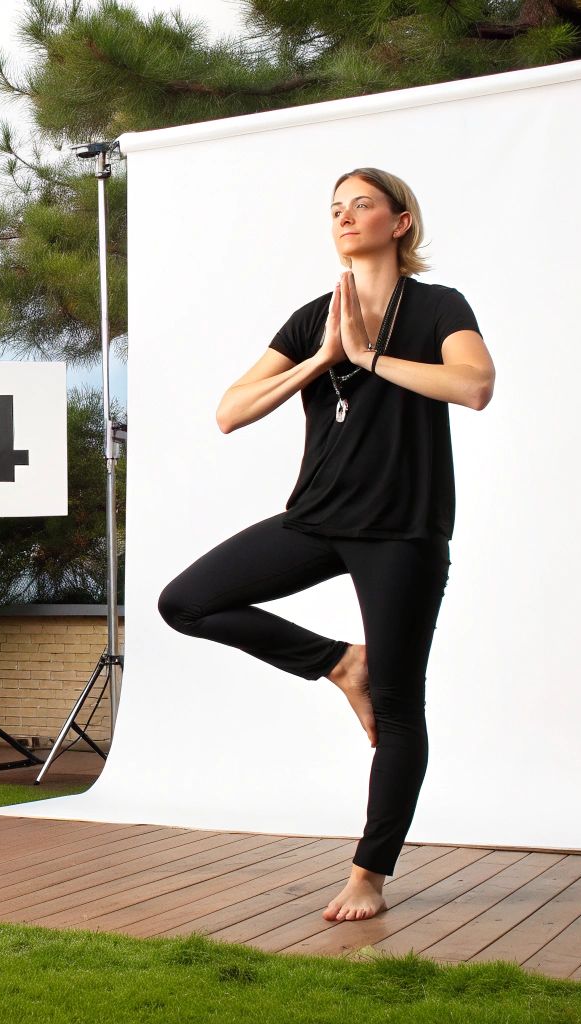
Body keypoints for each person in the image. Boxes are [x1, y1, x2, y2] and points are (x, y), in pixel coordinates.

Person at [156, 167, 495, 923]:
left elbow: (475, 386)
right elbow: (229, 411)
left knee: (399, 710)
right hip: (317, 517)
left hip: (403, 529)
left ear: (400, 222)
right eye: (336, 207)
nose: (344, 216)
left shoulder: (439, 307)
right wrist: (323, 358)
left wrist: (369, 357)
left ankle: (368, 875)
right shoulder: (315, 316)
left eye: (362, 204)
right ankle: (342, 663)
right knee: (185, 602)